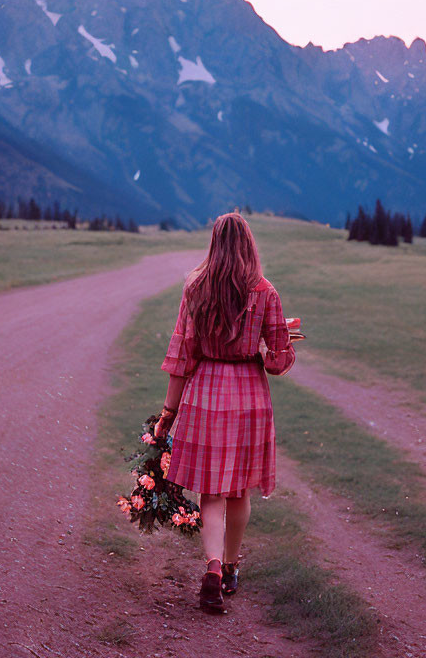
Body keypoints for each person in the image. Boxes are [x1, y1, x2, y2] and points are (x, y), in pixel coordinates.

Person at [155, 212, 296, 613]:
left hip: (206, 393)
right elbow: (277, 361)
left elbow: (182, 354)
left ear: (214, 243)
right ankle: (232, 567)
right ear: (249, 243)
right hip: (248, 395)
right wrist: (283, 341)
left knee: (211, 491)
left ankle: (213, 570)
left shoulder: (195, 287)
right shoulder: (265, 291)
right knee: (240, 488)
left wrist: (168, 413)